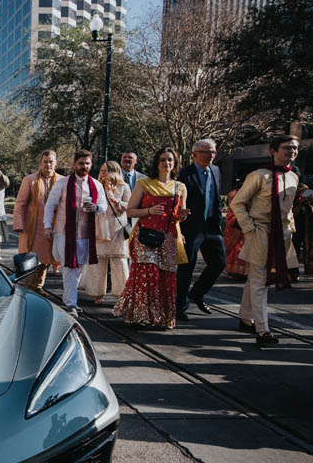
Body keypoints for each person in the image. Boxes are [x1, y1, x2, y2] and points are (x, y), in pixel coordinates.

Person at [229, 134, 301, 346]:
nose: (292, 152)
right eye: (287, 148)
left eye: (295, 148)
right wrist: (250, 229)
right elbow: (238, 203)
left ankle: (245, 317)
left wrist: (292, 229)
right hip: (260, 233)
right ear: (273, 151)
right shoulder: (259, 175)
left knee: (254, 280)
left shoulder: (294, 177)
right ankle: (263, 330)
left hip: (283, 237)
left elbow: (289, 209)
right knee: (261, 281)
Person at [112, 147, 189, 329]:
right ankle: (141, 315)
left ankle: (162, 317)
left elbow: (179, 215)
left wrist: (183, 215)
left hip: (169, 237)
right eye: (162, 159)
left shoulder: (180, 187)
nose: (166, 163)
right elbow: (130, 211)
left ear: (175, 163)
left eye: (170, 159)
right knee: (147, 274)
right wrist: (149, 211)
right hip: (145, 236)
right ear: (157, 163)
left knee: (165, 277)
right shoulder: (144, 184)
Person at [44, 150, 108, 314]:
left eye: (87, 163)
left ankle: (69, 299)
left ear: (91, 165)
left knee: (79, 267)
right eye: (81, 163)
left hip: (85, 233)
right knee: (69, 267)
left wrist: (96, 208)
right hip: (65, 232)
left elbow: (103, 205)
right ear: (74, 164)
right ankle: (71, 303)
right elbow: (50, 204)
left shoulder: (96, 185)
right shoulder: (63, 183)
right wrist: (47, 226)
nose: (84, 166)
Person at [176, 139, 226, 321]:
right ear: (195, 154)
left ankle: (196, 293)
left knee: (219, 262)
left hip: (211, 227)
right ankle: (179, 307)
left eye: (213, 152)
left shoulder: (216, 170)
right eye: (206, 152)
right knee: (186, 268)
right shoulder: (185, 174)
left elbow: (216, 197)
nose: (210, 155)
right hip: (191, 227)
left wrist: (219, 222)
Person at [13, 150, 60, 292]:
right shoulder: (30, 180)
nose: (48, 164)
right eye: (45, 162)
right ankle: (29, 287)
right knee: (31, 259)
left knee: (46, 259)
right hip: (32, 228)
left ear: (55, 163)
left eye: (51, 161)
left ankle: (38, 286)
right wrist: (19, 224)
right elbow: (20, 204)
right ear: (41, 163)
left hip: (52, 227)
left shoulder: (62, 181)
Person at [85, 161, 131, 304]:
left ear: (114, 171)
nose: (103, 173)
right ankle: (97, 293)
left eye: (106, 171)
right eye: (102, 170)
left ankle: (122, 294)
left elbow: (130, 206)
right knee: (98, 262)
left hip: (117, 229)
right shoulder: (96, 186)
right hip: (100, 228)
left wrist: (118, 202)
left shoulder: (123, 187)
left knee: (119, 263)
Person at [224, 180, 248, 279]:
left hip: (238, 220)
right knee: (238, 247)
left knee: (238, 247)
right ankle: (239, 271)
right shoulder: (237, 193)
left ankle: (234, 271)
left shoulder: (234, 193)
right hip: (238, 220)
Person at [291, 184, 313, 276]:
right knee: (294, 250)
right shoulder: (294, 201)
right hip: (296, 229)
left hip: (308, 230)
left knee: (309, 250)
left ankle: (309, 271)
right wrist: (300, 203)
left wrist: (310, 203)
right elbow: (293, 213)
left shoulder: (309, 202)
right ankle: (293, 272)